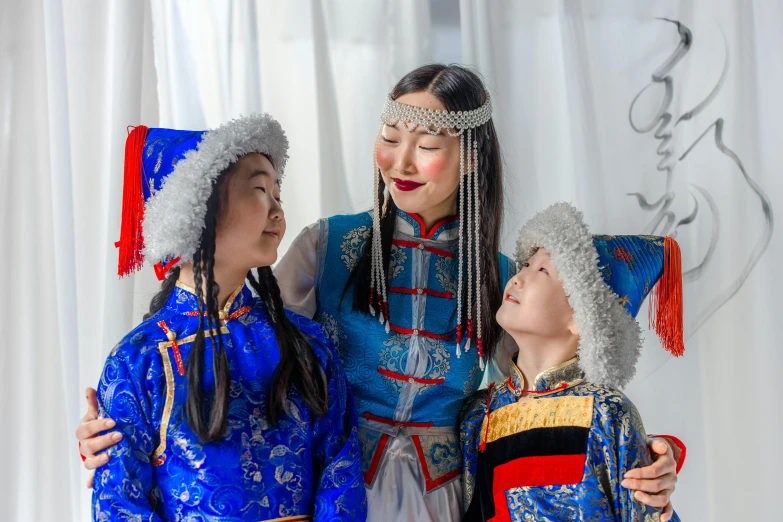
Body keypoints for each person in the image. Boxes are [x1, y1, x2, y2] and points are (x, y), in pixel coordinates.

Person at [78, 64, 681, 521]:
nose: (402, 160)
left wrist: (647, 453)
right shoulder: (328, 245)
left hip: (444, 493)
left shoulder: (500, 275)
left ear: (470, 159)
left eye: (428, 146)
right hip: (340, 486)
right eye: (391, 136)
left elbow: (546, 390)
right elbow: (248, 352)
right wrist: (121, 424)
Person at [90, 114, 366, 521]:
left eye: (278, 193)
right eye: (259, 189)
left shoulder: (305, 344)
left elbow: (341, 473)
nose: (277, 209)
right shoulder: (139, 360)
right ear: (198, 208)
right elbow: (118, 506)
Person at [461, 202, 685, 521]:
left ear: (584, 316)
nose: (516, 278)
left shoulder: (607, 413)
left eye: (542, 270)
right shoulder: (478, 415)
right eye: (525, 264)